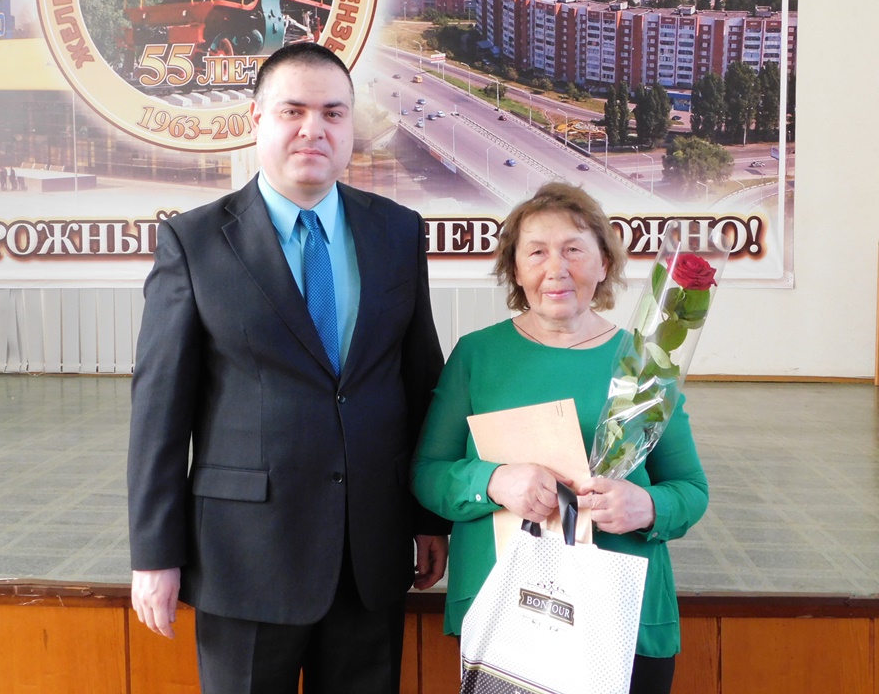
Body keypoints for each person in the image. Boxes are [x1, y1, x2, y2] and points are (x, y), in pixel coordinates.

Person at [127, 41, 449, 694]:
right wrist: (154, 554)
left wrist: (427, 519)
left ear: (350, 125)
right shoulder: (194, 242)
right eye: (292, 110)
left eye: (333, 113)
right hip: (245, 557)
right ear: (256, 120)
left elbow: (420, 381)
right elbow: (159, 412)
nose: (313, 129)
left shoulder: (397, 231)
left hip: (369, 554)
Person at [411, 182, 708, 694]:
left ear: (604, 263)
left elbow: (690, 489)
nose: (556, 268)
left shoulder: (647, 362)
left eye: (573, 249)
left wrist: (647, 507)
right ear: (515, 269)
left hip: (622, 614)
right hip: (506, 611)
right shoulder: (477, 355)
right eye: (537, 252)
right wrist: (493, 482)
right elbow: (427, 474)